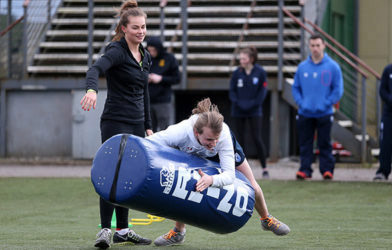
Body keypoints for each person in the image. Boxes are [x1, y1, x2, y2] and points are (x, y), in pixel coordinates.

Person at [147, 98, 290, 247]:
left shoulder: (224, 137)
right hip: (192, 153)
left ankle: (266, 219)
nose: (213, 143)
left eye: (216, 138)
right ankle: (178, 232)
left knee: (252, 186)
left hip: (220, 154)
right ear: (196, 132)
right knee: (181, 187)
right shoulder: (180, 131)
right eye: (209, 139)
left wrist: (211, 180)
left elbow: (229, 175)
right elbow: (150, 143)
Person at [79, 1, 153, 248]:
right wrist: (91, 90)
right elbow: (95, 69)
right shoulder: (116, 51)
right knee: (111, 175)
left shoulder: (145, 55)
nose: (140, 31)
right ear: (123, 28)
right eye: (135, 28)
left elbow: (145, 93)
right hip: (114, 121)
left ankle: (123, 230)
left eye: (143, 27)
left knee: (129, 177)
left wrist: (148, 125)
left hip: (136, 124)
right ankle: (105, 231)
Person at [292, 33, 343, 180]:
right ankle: (305, 170)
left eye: (318, 45)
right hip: (305, 113)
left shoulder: (333, 67)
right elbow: (295, 88)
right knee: (305, 143)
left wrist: (327, 103)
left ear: (324, 46)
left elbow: (338, 89)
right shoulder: (302, 67)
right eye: (312, 45)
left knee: (324, 143)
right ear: (309, 46)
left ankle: (327, 170)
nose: (315, 48)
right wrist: (301, 103)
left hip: (324, 113)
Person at [229, 47, 269, 178]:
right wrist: (239, 104)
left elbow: (262, 93)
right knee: (239, 140)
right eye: (240, 58)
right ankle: (240, 169)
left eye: (244, 58)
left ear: (251, 59)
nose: (241, 60)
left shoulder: (260, 72)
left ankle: (264, 168)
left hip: (254, 111)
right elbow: (232, 92)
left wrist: (252, 105)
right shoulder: (236, 73)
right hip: (238, 110)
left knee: (257, 138)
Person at [373, 41, 392, 181]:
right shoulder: (389, 70)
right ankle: (383, 172)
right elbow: (383, 91)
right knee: (386, 144)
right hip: (390, 114)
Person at [146, 36, 181, 132]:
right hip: (148, 100)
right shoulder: (146, 58)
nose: (152, 53)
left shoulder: (169, 58)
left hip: (163, 101)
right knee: (149, 130)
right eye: (150, 50)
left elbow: (177, 78)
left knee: (164, 129)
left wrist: (161, 79)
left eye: (154, 50)